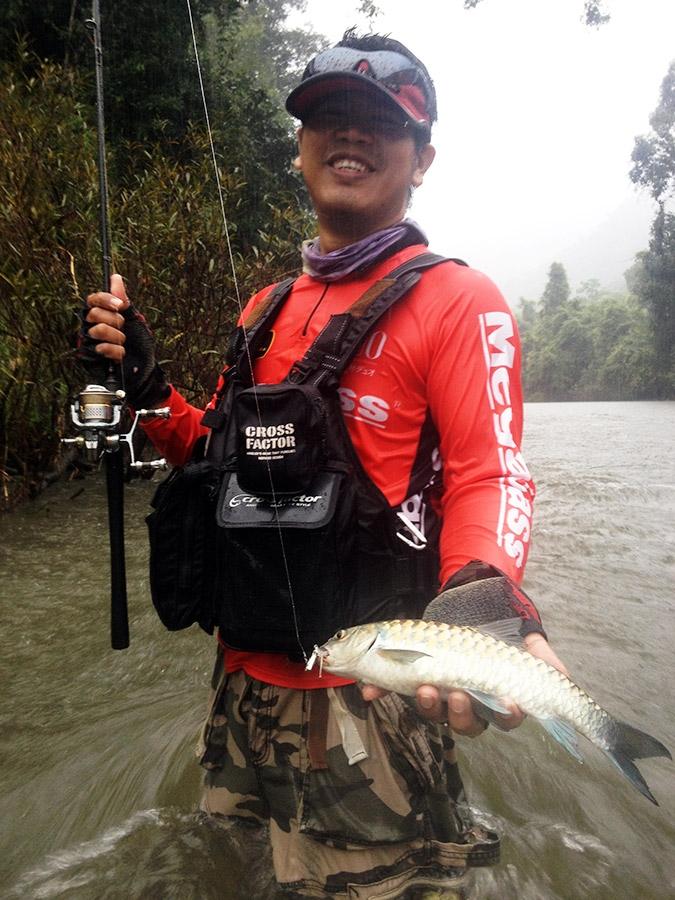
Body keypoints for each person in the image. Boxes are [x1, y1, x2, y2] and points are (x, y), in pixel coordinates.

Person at [82, 30, 568, 900]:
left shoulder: (459, 300)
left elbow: (492, 473)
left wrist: (485, 598)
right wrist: (149, 388)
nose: (349, 135)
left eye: (380, 122)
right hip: (240, 681)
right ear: (302, 144)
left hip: (367, 698)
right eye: (328, 118)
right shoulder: (266, 307)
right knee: (229, 876)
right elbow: (219, 463)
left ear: (421, 158)